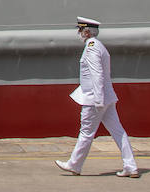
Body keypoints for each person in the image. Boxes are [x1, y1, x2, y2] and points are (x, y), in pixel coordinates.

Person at [55, 17, 140, 178]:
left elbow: (97, 74)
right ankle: (131, 166)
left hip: (94, 99)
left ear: (87, 32)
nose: (79, 33)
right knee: (118, 131)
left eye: (80, 30)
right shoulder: (99, 45)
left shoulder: (91, 47)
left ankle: (74, 165)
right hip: (106, 97)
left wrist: (98, 100)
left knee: (86, 132)